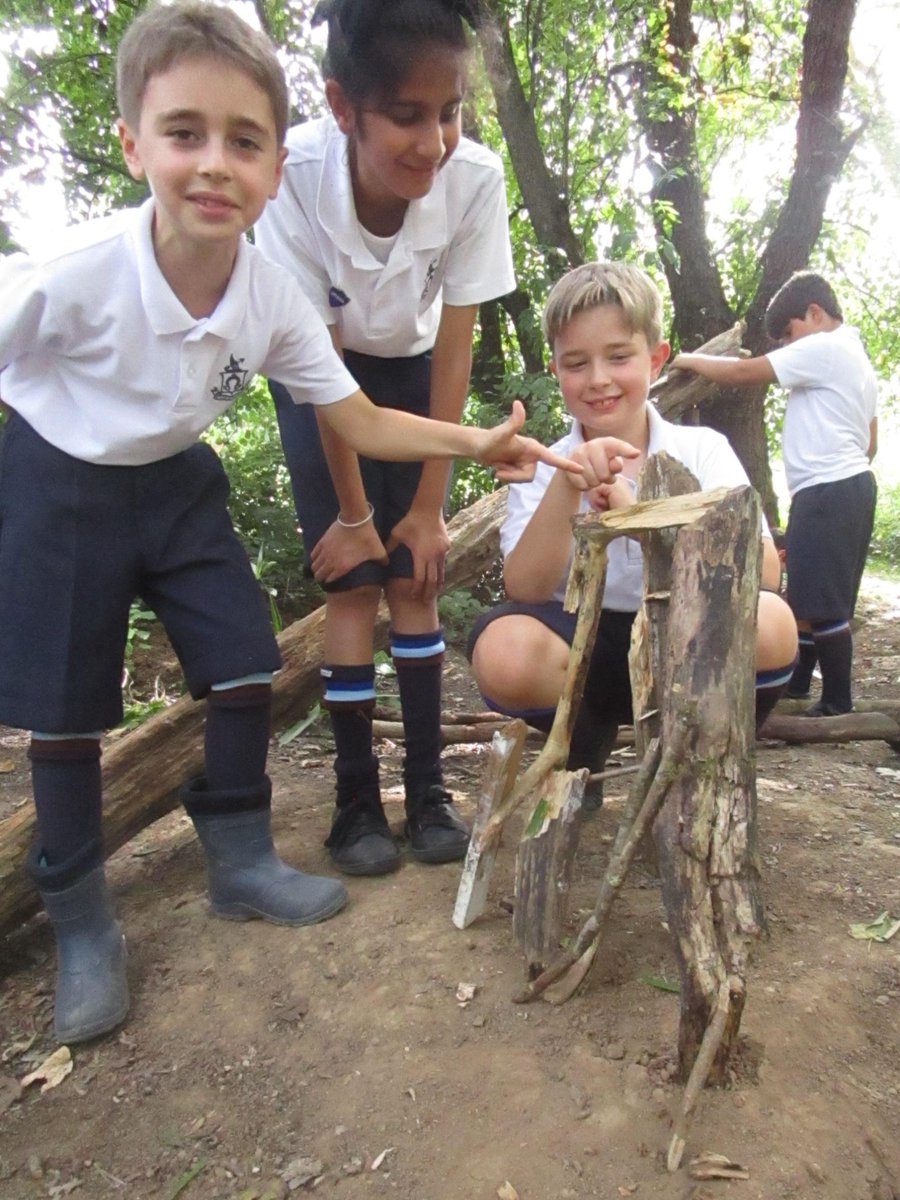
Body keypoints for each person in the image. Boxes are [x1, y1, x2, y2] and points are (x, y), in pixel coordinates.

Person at [0, 0, 579, 1045]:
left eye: (244, 142)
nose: (215, 165)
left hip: (177, 481)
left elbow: (356, 412)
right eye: (184, 134)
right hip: (61, 482)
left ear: (275, 164)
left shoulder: (265, 293)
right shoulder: (72, 274)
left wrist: (475, 447)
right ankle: (82, 922)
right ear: (133, 144)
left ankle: (241, 858)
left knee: (244, 664)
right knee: (66, 713)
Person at [254, 0, 517, 877]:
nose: (432, 142)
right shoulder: (291, 179)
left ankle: (428, 791)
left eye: (449, 112)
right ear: (342, 106)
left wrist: (430, 508)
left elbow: (456, 344)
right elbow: (322, 364)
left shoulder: (474, 179)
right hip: (316, 377)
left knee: (415, 576)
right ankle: (356, 801)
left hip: (416, 372)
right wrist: (357, 515)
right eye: (406, 115)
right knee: (355, 583)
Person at [468, 262, 799, 791]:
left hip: (689, 640)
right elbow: (525, 588)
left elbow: (762, 573)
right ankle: (583, 749)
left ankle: (701, 761)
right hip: (582, 650)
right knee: (503, 650)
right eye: (577, 363)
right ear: (556, 370)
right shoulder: (546, 464)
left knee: (774, 623)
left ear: (656, 358)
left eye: (619, 357)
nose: (598, 379)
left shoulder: (702, 449)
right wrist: (568, 484)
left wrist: (642, 516)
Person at [672, 271, 878, 716]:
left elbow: (744, 372)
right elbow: (871, 439)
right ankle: (799, 684)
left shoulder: (824, 347)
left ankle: (838, 701)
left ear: (815, 313)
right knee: (808, 591)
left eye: (788, 333)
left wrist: (690, 360)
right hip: (849, 483)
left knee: (824, 600)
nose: (786, 345)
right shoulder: (857, 359)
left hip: (827, 485)